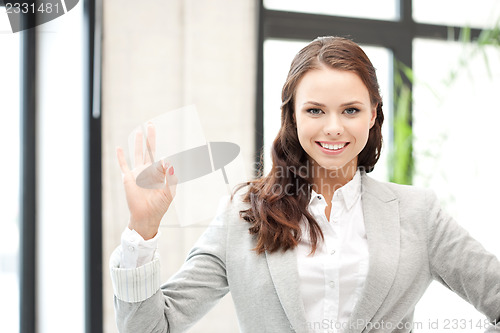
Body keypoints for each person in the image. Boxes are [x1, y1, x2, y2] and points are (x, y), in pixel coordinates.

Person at [110, 36, 500, 333]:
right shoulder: (244, 215)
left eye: (350, 110)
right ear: (293, 117)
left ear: (372, 115)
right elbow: (151, 327)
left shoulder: (419, 214)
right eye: (315, 110)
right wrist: (142, 231)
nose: (333, 127)